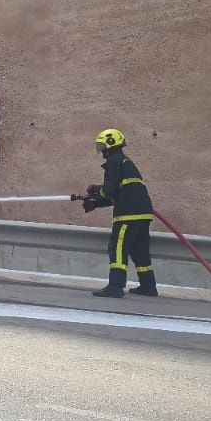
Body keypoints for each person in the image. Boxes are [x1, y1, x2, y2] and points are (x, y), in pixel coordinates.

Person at [80, 128, 158, 298]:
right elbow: (116, 194)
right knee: (139, 251)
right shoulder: (126, 162)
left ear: (110, 144)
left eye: (102, 146)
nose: (100, 150)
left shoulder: (114, 162)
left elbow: (108, 190)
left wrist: (95, 192)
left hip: (128, 215)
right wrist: (95, 202)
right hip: (142, 214)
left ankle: (115, 287)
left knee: (117, 248)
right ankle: (148, 286)